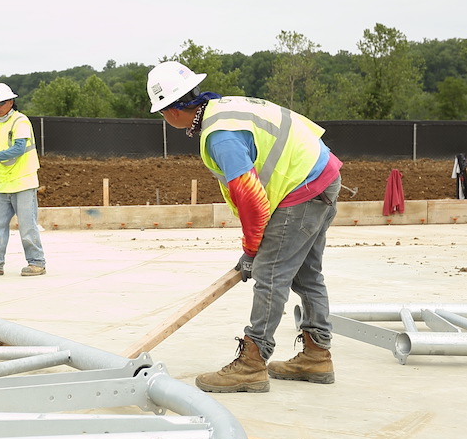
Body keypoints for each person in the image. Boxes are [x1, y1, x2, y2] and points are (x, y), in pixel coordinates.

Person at [146, 61, 343, 392]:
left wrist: (252, 250)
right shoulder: (223, 108)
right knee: (306, 275)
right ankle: (316, 354)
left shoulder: (220, 136)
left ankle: (252, 363)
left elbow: (250, 197)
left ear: (171, 111)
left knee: (270, 275)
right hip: (320, 177)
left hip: (303, 188)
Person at [0, 83, 47, 277]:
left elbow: (19, 148)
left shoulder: (20, 121)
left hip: (23, 182)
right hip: (4, 184)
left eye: (1, 103)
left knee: (27, 224)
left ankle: (37, 262)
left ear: (11, 102)